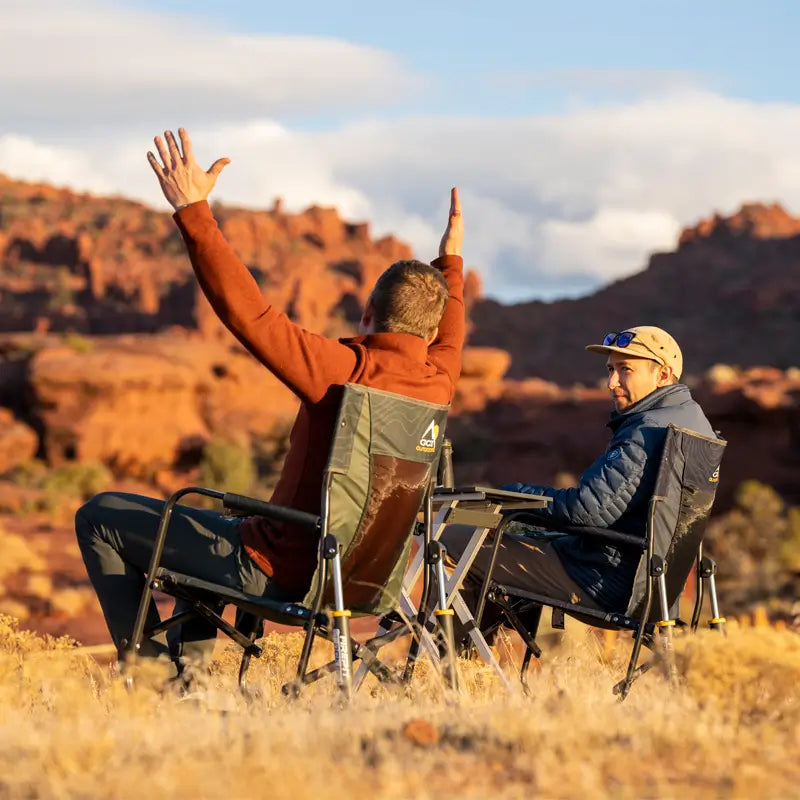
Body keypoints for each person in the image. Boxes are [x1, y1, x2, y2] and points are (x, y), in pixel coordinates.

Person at [76, 128, 465, 670]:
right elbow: (451, 339)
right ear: (431, 332)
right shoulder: (438, 381)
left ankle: (150, 675)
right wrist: (451, 267)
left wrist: (193, 211)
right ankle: (190, 687)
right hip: (358, 579)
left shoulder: (341, 372)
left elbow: (251, 316)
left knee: (99, 516)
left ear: (367, 315)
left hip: (276, 570)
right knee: (209, 538)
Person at [441, 326, 716, 628]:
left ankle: (449, 653)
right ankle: (482, 648)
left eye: (625, 370)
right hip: (650, 583)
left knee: (452, 541)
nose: (612, 383)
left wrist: (510, 498)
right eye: (610, 370)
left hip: (603, 580)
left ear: (662, 374)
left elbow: (587, 510)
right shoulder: (693, 421)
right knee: (507, 535)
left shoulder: (647, 429)